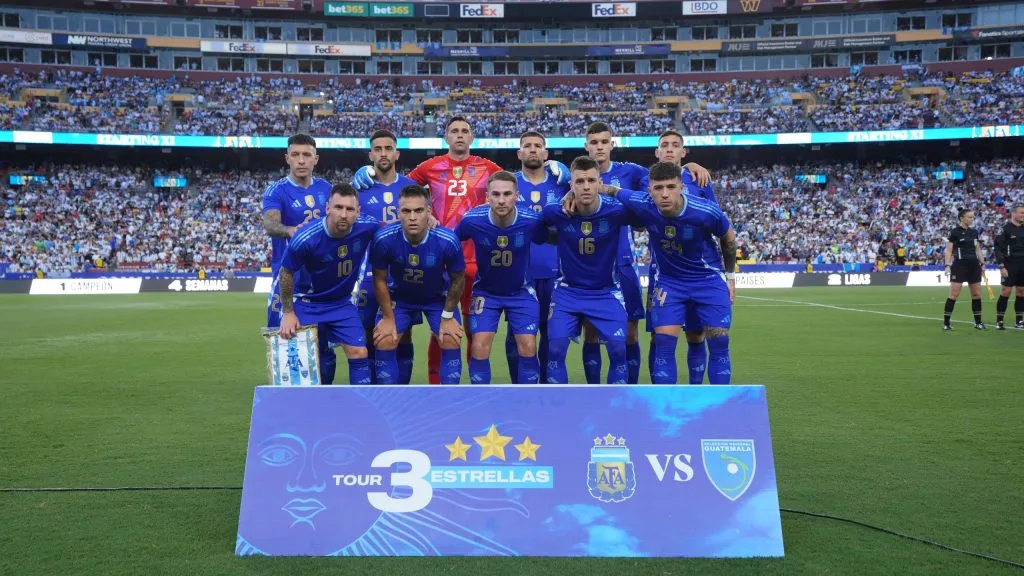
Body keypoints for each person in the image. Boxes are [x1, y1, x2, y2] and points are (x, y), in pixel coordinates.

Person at [354, 116, 568, 384]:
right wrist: (367, 172)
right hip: (441, 260)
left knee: (472, 330)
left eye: (464, 131)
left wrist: (551, 169)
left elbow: (514, 183)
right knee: (442, 329)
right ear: (446, 136)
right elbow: (400, 187)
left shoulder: (487, 167)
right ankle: (437, 382)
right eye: (454, 131)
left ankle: (470, 386)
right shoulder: (430, 167)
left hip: (479, 260)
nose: (459, 135)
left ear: (472, 137)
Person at [599, 162, 737, 384]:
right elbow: (610, 190)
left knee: (719, 343)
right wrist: (569, 195)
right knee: (663, 343)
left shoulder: (705, 211)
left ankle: (717, 409)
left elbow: (729, 239)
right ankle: (666, 411)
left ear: (682, 187)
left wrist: (730, 278)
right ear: (649, 189)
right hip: (670, 283)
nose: (665, 194)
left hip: (708, 280)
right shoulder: (642, 203)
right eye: (658, 188)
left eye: (671, 187)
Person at [542, 156, 635, 384]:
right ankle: (558, 407)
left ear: (599, 182)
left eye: (591, 181)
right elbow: (536, 223)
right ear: (571, 185)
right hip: (568, 292)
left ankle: (616, 407)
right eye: (580, 181)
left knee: (618, 351)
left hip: (605, 292)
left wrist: (613, 191)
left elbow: (646, 203)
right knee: (554, 350)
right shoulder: (556, 211)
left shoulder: (616, 211)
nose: (585, 186)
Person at [639, 130, 721, 384]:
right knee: (659, 335)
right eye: (664, 145)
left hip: (698, 270)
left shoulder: (700, 179)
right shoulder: (646, 180)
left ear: (683, 152)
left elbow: (715, 219)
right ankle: (660, 392)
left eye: (676, 145)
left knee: (696, 334)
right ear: (657, 152)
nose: (670, 149)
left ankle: (695, 389)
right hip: (663, 271)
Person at [277, 184, 379, 385]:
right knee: (309, 361)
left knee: (359, 352)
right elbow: (285, 272)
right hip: (308, 303)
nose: (343, 214)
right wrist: (288, 312)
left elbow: (393, 228)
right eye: (338, 207)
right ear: (327, 209)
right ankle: (309, 408)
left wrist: (428, 219)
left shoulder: (367, 226)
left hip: (341, 303)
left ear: (358, 211)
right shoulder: (306, 238)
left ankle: (362, 406)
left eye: (350, 209)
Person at [455, 171, 549, 384]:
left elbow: (548, 237)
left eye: (507, 194)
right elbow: (451, 243)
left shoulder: (531, 220)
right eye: (495, 194)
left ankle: (527, 401)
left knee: (528, 345)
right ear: (487, 197)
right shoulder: (472, 220)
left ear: (517, 195)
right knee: (479, 345)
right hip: (486, 292)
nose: (501, 200)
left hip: (521, 292)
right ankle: (481, 399)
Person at [370, 185, 467, 385]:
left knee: (450, 337)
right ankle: (391, 400)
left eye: (418, 211)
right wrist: (388, 317)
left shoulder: (447, 240)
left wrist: (448, 316)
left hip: (436, 298)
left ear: (429, 212)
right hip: (401, 298)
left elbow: (458, 279)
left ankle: (449, 399)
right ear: (398, 213)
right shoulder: (384, 239)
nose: (412, 217)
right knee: (385, 339)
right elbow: (379, 278)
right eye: (406, 211)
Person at [262, 133, 338, 381]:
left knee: (324, 345)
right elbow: (270, 224)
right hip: (288, 279)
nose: (301, 160)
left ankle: (324, 397)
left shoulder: (327, 189)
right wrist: (290, 230)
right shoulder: (277, 190)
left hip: (321, 279)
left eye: (306, 155)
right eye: (295, 155)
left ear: (316, 159)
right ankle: (288, 399)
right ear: (287, 158)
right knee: (284, 341)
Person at [355, 129, 419, 383]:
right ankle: (371, 388)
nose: (383, 153)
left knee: (403, 333)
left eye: (388, 148)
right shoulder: (359, 188)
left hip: (403, 273)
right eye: (378, 149)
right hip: (368, 273)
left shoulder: (410, 188)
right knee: (367, 331)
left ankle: (400, 389)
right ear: (370, 154)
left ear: (397, 153)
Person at [509, 130, 570, 384]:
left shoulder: (561, 183)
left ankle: (549, 388)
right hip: (519, 274)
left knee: (551, 335)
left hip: (554, 272)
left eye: (538, 146)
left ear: (546, 154)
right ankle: (519, 390)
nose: (533, 150)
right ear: (519, 153)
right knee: (517, 336)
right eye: (527, 146)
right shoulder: (508, 184)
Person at [943, 208, 987, 331]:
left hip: (974, 266)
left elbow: (977, 249)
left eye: (973, 217)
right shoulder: (954, 232)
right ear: (962, 218)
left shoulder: (974, 232)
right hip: (959, 266)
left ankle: (978, 323)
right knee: (954, 294)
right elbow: (949, 251)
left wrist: (982, 263)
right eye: (969, 217)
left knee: (976, 294)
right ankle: (946, 323)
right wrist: (947, 266)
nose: (972, 219)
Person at [994, 203, 1024, 330]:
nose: (1023, 215)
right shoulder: (1005, 229)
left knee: (1021, 292)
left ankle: (1019, 321)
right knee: (1006, 292)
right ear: (1014, 213)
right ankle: (1000, 321)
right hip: (1009, 264)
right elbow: (998, 248)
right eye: (1021, 212)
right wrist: (1001, 266)